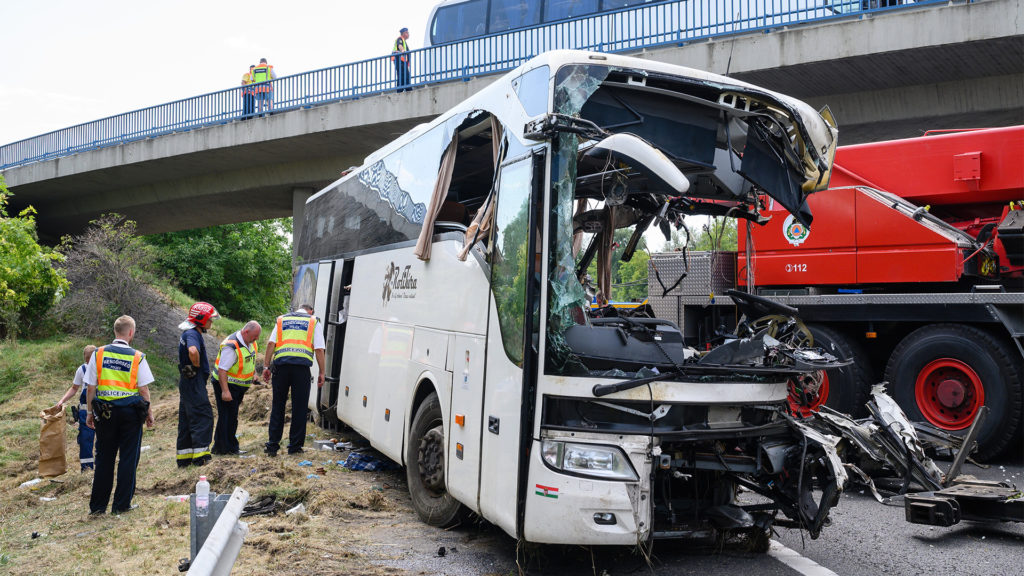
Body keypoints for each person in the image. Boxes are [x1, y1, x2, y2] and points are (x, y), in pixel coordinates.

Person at [84, 316, 155, 515]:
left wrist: (89, 413)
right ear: (131, 332)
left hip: (104, 413)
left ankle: (98, 507)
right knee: (128, 458)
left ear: (115, 331)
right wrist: (149, 413)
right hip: (130, 414)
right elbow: (143, 389)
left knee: (104, 459)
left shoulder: (98, 353)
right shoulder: (137, 357)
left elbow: (91, 387)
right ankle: (121, 505)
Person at [261, 304, 325, 456]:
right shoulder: (313, 321)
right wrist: (322, 372)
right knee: (300, 408)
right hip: (301, 370)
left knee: (278, 406)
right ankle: (294, 447)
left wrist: (266, 366)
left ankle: (272, 446)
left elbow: (271, 344)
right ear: (311, 311)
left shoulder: (282, 320)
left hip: (280, 368)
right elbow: (319, 349)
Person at [176, 301, 219, 468]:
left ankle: (184, 458)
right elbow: (193, 351)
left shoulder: (188, 333)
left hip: (188, 382)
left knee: (187, 420)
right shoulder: (193, 333)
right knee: (202, 416)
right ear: (201, 319)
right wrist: (197, 365)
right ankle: (201, 458)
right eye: (209, 318)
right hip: (194, 383)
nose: (211, 322)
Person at [211, 320, 261, 455]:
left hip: (238, 387)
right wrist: (225, 391)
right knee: (228, 416)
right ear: (246, 332)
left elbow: (250, 359)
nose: (256, 339)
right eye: (255, 336)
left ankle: (220, 447)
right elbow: (222, 370)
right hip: (226, 385)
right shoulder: (231, 346)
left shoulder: (250, 342)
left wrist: (253, 374)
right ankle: (228, 448)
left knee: (229, 416)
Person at [56, 344, 98, 471]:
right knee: (85, 441)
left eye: (90, 359)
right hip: (85, 412)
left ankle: (101, 467)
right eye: (86, 359)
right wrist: (62, 401)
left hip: (101, 411)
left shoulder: (103, 368)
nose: (88, 362)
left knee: (103, 440)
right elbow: (74, 388)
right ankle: (87, 469)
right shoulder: (82, 369)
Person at [391, 27, 411, 93]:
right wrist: (402, 50)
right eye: (407, 32)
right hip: (398, 59)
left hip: (402, 61)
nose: (408, 34)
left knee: (405, 74)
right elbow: (400, 45)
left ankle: (406, 88)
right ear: (403, 33)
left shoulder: (404, 41)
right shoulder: (400, 39)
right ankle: (402, 89)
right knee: (402, 74)